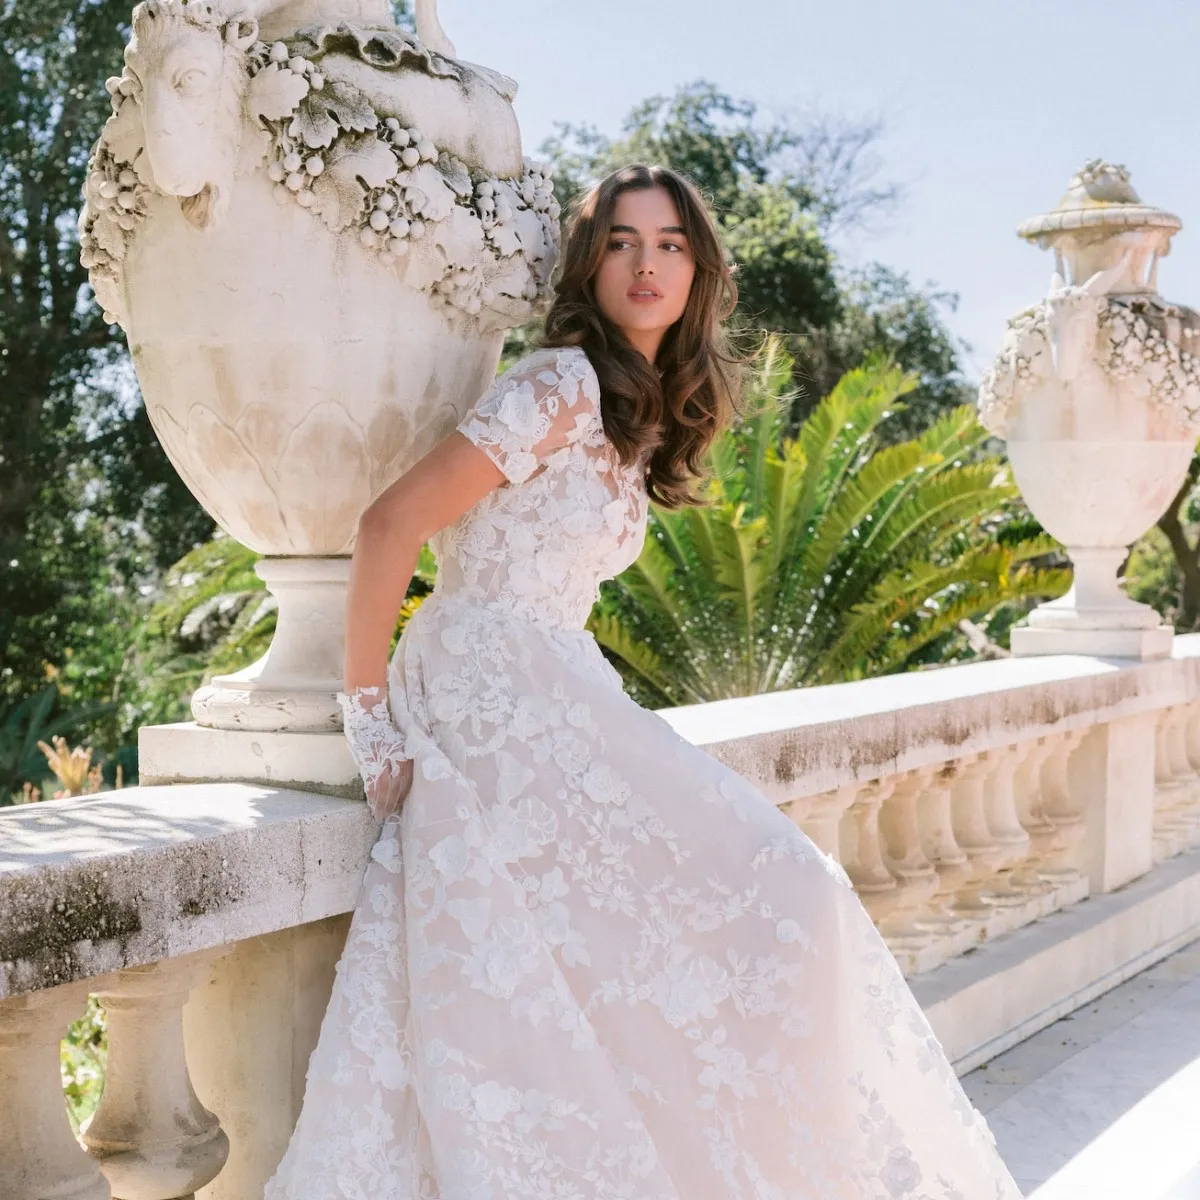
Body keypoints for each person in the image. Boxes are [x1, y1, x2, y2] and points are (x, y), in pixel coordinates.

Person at [263, 164, 1023, 1200]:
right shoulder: (561, 384)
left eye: (669, 244)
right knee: (778, 888)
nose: (646, 263)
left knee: (757, 905)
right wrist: (370, 722)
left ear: (700, 271)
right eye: (621, 241)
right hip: (487, 683)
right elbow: (388, 528)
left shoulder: (633, 410)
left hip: (552, 679)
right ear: (592, 262)